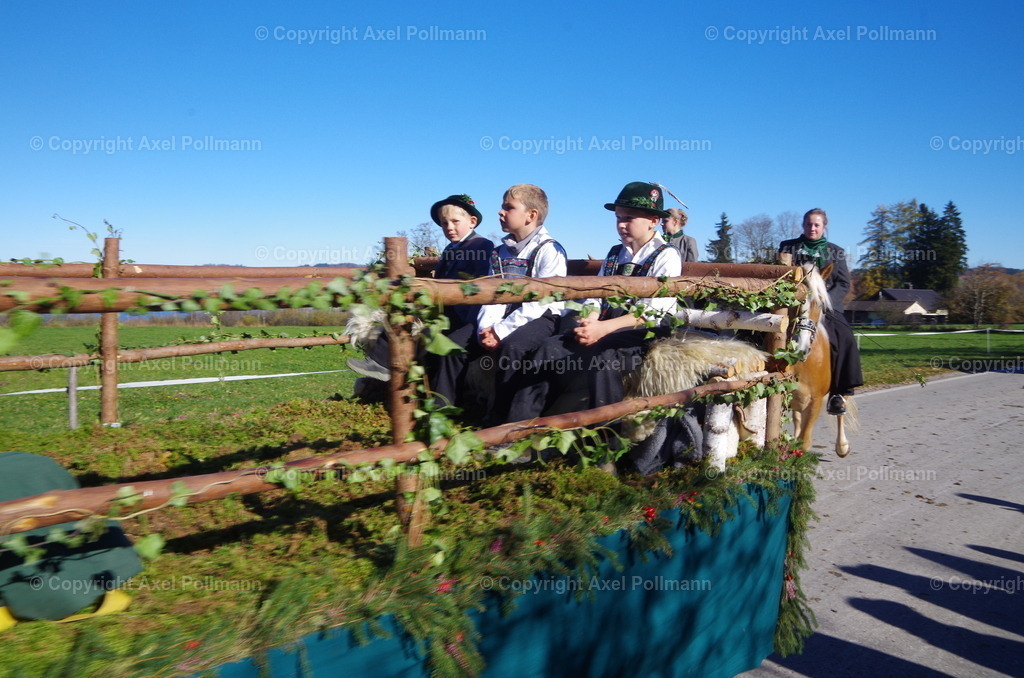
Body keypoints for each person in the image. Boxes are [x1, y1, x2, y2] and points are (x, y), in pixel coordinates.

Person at [506, 181, 682, 423]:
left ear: (653, 220)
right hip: (604, 327)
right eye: (618, 217)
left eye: (629, 218)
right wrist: (590, 320)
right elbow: (595, 294)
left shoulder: (667, 255)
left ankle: (605, 437)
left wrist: (602, 329)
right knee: (549, 349)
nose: (621, 224)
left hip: (643, 332)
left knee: (604, 360)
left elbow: (655, 311)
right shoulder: (614, 254)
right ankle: (518, 428)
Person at [348, 194, 493, 406]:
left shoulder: (480, 246)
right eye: (444, 223)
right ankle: (383, 366)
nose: (449, 227)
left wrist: (434, 295)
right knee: (407, 320)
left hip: (466, 314)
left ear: (472, 221)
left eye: (455, 222)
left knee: (445, 345)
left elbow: (471, 285)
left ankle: (442, 404)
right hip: (446, 310)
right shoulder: (450, 249)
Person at [474, 184, 567, 421]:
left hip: (542, 316)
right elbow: (492, 294)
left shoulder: (550, 250)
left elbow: (541, 300)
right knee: (461, 340)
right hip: (504, 313)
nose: (500, 212)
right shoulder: (499, 253)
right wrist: (487, 327)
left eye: (508, 207)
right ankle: (456, 406)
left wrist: (501, 331)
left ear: (531, 215)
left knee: (512, 347)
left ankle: (502, 419)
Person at [778, 208, 863, 414]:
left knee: (845, 337)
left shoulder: (836, 251)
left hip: (825, 306)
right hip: (793, 304)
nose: (812, 228)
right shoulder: (788, 247)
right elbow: (779, 275)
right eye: (808, 224)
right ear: (803, 225)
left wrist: (825, 302)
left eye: (816, 224)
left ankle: (840, 392)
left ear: (824, 227)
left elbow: (843, 283)